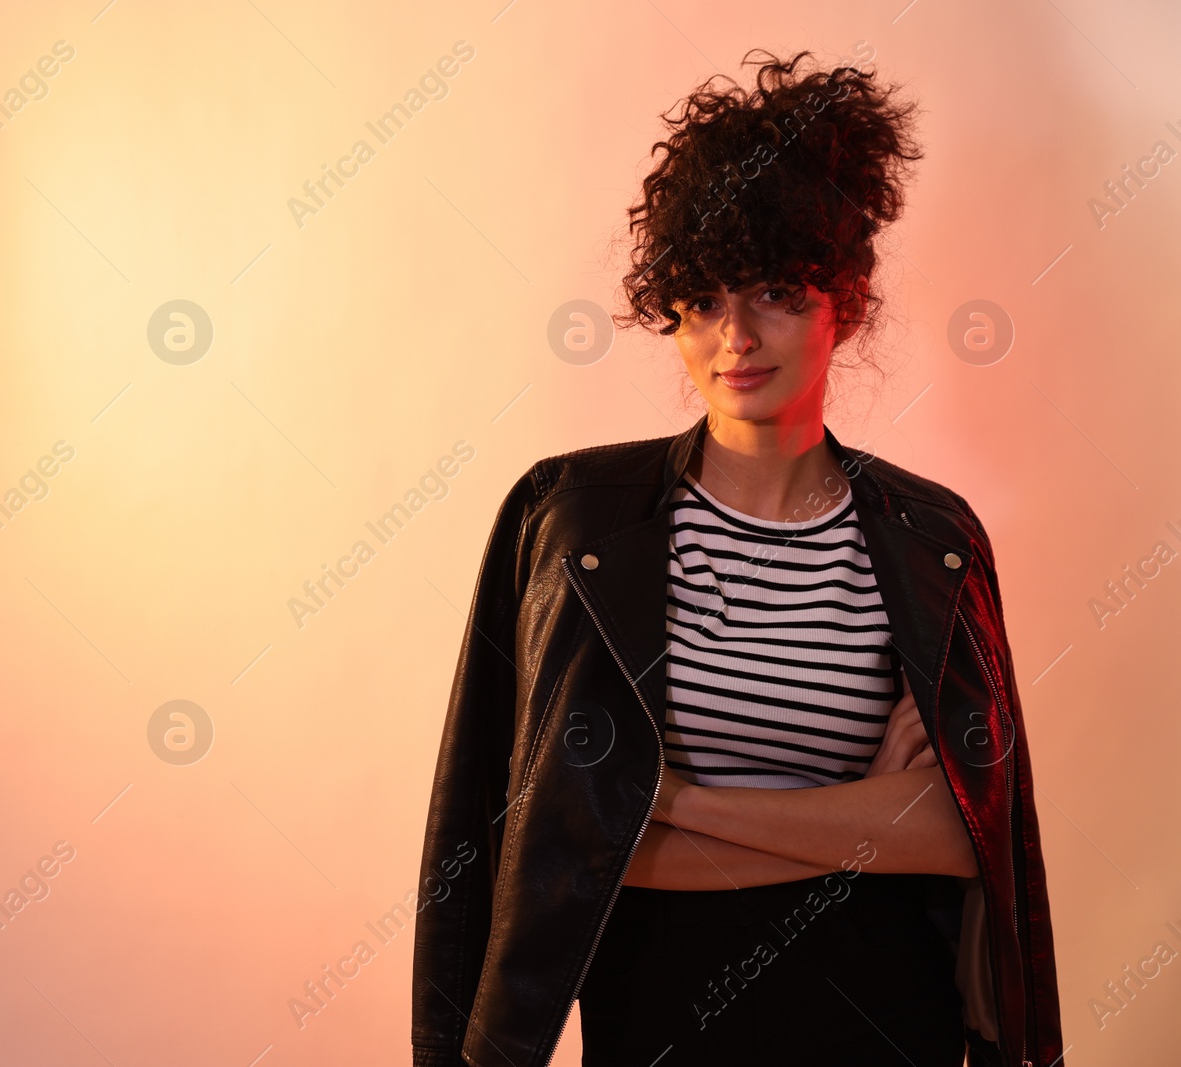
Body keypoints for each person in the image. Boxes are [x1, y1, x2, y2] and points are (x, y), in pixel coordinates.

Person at [410, 50, 1064, 1067]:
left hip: (890, 1030)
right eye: (701, 301)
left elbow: (951, 833)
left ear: (841, 297)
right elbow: (512, 831)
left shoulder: (929, 538)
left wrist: (650, 806)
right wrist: (857, 833)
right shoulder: (571, 519)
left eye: (773, 290)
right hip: (658, 1030)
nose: (735, 337)